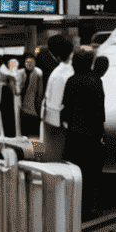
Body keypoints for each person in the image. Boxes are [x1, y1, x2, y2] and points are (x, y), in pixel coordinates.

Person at [61, 50, 107, 220]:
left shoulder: (71, 81)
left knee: (74, 173)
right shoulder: (95, 81)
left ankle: (72, 208)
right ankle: (86, 211)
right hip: (91, 136)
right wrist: (101, 134)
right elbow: (99, 112)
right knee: (90, 176)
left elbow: (65, 108)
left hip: (73, 135)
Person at [40, 34, 76, 163]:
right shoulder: (75, 69)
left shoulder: (58, 74)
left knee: (54, 161)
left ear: (57, 55)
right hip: (73, 123)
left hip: (57, 125)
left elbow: (54, 106)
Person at [19, 56, 44, 139]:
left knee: (34, 135)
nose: (29, 64)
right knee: (24, 134)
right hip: (23, 109)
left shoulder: (38, 73)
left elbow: (40, 92)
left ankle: (36, 150)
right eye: (27, 62)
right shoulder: (21, 73)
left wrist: (39, 106)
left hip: (34, 109)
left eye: (31, 62)